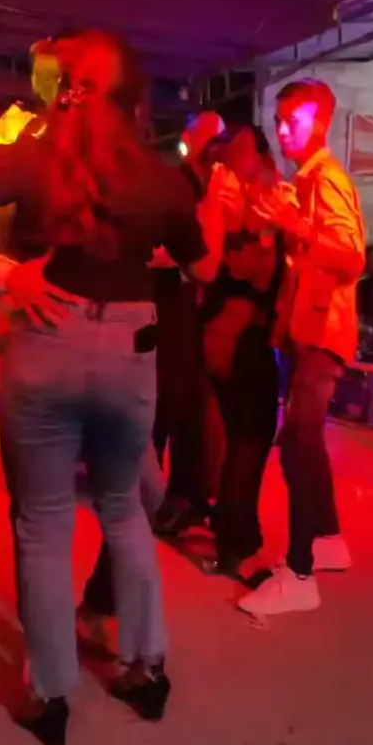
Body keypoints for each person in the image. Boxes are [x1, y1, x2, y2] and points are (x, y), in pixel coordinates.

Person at [0, 30, 224, 745]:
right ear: (135, 99)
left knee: (42, 523)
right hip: (130, 351)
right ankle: (146, 670)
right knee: (124, 509)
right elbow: (202, 269)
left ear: (68, 92)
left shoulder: (34, 156)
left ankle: (50, 696)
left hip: (45, 339)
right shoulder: (161, 177)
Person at [238, 78, 365, 616]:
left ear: (322, 123)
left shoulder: (327, 180)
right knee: (304, 441)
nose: (283, 129)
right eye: (279, 119)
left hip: (323, 331)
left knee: (296, 441)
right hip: (307, 328)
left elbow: (352, 256)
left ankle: (300, 573)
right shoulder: (306, 180)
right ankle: (327, 540)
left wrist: (300, 227)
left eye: (294, 119)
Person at [201, 126, 285, 585]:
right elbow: (254, 268)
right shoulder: (246, 206)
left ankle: (235, 537)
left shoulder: (223, 199)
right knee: (250, 440)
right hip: (239, 331)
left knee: (242, 437)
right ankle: (238, 546)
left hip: (223, 330)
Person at [152, 111, 226, 535]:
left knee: (188, 405)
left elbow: (209, 262)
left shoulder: (218, 187)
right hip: (173, 303)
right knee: (167, 399)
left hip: (204, 310)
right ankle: (156, 492)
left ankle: (185, 495)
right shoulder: (180, 183)